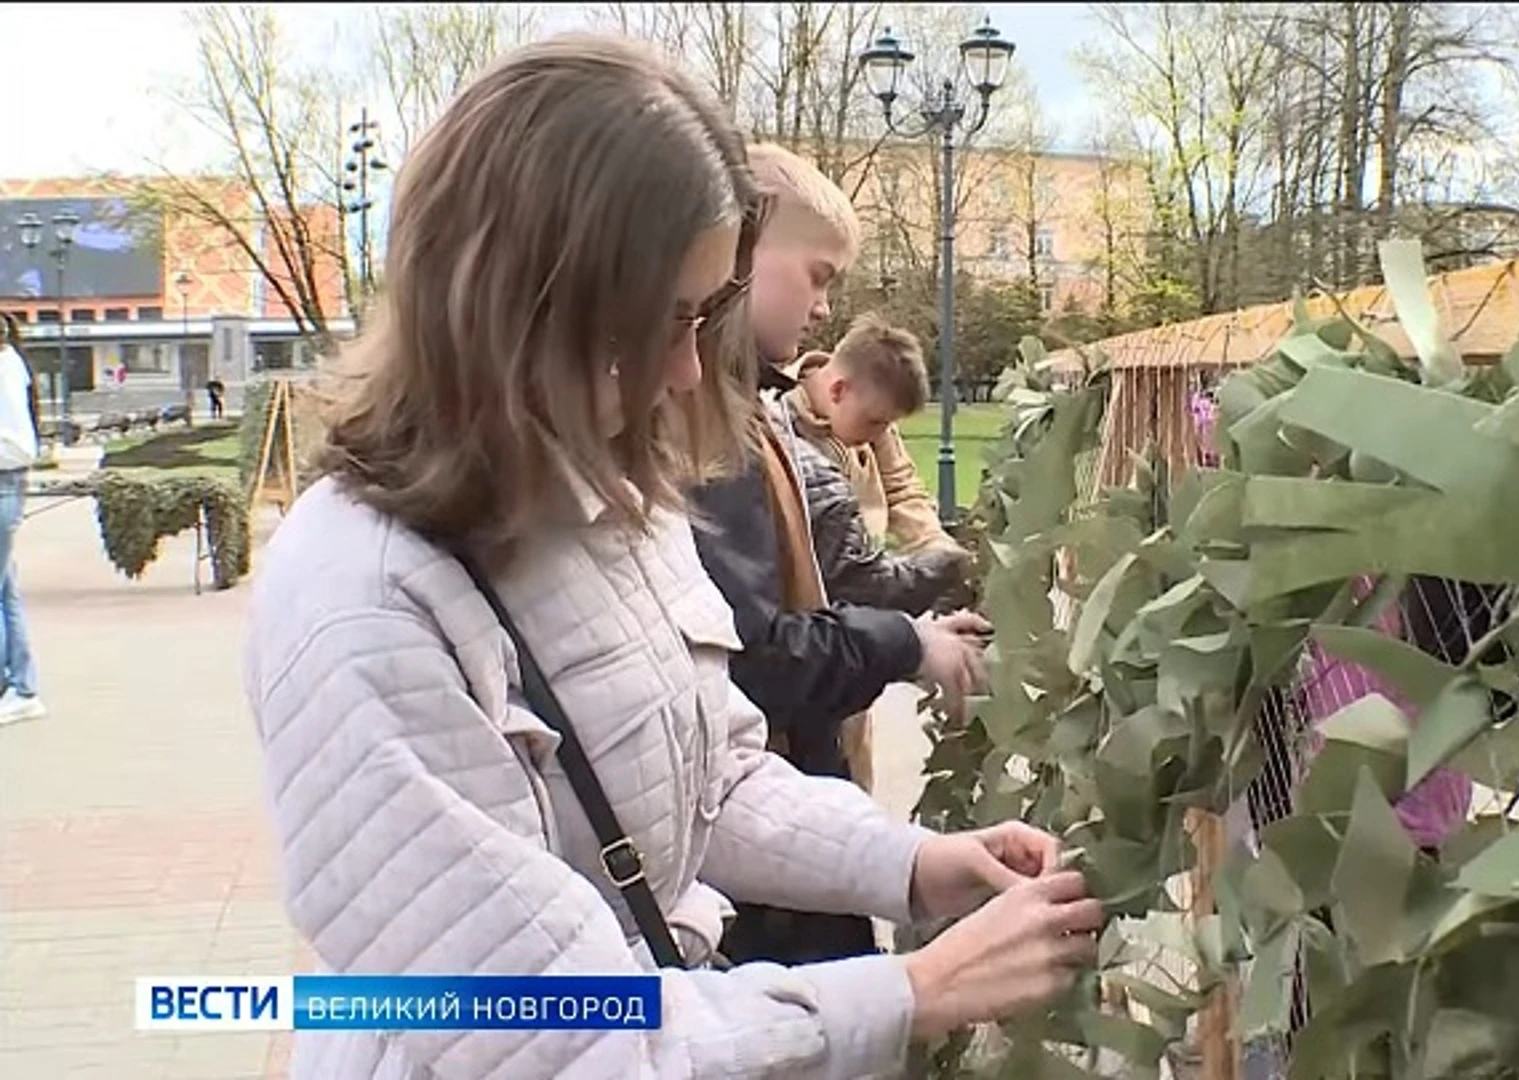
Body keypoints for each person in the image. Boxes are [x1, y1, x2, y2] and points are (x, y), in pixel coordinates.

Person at [242, 36, 1100, 1079]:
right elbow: (556, 1038)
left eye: (708, 317)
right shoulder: (364, 599)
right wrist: (909, 990)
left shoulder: (610, 497)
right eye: (666, 321)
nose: (692, 366)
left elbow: (718, 779)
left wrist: (913, 866)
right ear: (517, 302)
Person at [685, 142, 994, 967]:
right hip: (757, 856)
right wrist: (910, 641)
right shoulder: (712, 432)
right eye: (818, 275)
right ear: (743, 252)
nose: (825, 305)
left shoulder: (753, 407)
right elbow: (759, 658)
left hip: (785, 798)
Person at [775, 314, 971, 610]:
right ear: (838, 390)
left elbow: (902, 488)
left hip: (874, 584)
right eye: (876, 422)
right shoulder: (777, 424)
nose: (879, 435)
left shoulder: (867, 407)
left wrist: (938, 550)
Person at [0, 315, 44, 727]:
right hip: (8, 482)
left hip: (3, 480)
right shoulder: (12, 363)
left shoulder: (5, 369)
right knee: (5, 589)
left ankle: (20, 688)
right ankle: (20, 687)